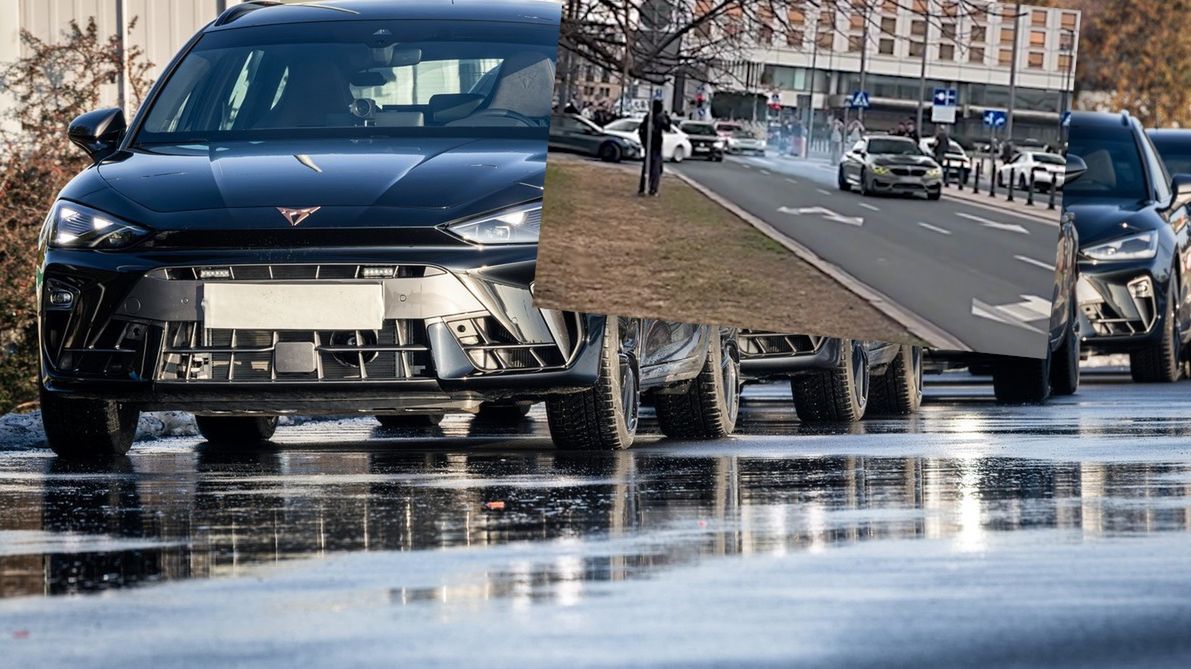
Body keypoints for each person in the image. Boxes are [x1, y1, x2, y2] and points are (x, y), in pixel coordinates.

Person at [638, 99, 671, 196]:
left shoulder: (648, 117)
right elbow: (667, 128)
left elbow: (641, 130)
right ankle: (653, 189)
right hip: (656, 146)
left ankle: (643, 188)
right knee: (656, 168)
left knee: (647, 167)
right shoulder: (659, 118)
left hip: (650, 146)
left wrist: (644, 142)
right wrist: (667, 118)